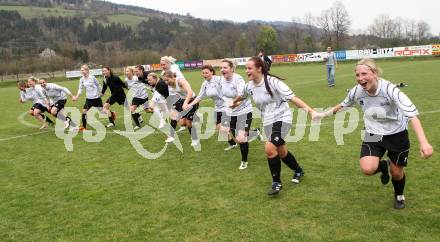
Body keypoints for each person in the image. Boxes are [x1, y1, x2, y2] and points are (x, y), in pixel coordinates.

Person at [315, 58, 434, 209]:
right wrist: (322, 115)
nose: (360, 78)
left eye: (364, 73)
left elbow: (412, 116)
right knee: (367, 168)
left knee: (397, 173)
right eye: (357, 75)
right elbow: (343, 105)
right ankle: (383, 166)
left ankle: (399, 195)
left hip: (397, 133)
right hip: (373, 132)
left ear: (375, 73)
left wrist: (424, 142)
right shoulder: (357, 91)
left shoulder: (390, 90)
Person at [232, 57, 317, 195]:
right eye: (246, 68)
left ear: (259, 68)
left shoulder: (273, 82)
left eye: (249, 68)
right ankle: (298, 171)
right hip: (268, 122)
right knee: (282, 152)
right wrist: (234, 102)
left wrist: (310, 111)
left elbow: (293, 98)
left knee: (270, 148)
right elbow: (242, 95)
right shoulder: (249, 86)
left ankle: (276, 183)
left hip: (283, 118)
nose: (246, 71)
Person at [219, 59, 262, 170]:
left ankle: (244, 161)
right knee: (238, 138)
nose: (222, 70)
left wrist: (235, 103)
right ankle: (255, 132)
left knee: (241, 138)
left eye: (225, 67)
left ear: (232, 69)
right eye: (221, 68)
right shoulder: (221, 80)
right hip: (230, 113)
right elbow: (223, 95)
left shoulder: (238, 79)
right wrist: (226, 105)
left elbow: (242, 95)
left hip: (244, 111)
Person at [162, 70, 199, 146]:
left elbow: (190, 92)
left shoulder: (180, 81)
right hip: (182, 100)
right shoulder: (169, 85)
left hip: (192, 100)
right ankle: (195, 117)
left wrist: (186, 103)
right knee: (182, 123)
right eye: (164, 80)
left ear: (172, 77)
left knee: (188, 122)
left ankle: (194, 139)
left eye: (167, 80)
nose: (166, 82)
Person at [187, 65, 224, 130]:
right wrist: (190, 105)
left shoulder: (219, 79)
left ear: (212, 72)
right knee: (219, 127)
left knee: (223, 128)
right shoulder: (205, 84)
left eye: (206, 73)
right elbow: (199, 97)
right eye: (203, 73)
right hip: (218, 107)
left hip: (228, 106)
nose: (204, 75)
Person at [72, 64, 103, 131]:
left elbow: (98, 85)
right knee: (84, 112)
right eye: (81, 70)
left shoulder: (92, 77)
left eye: (83, 70)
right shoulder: (81, 79)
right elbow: (80, 88)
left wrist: (101, 92)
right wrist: (77, 96)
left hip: (96, 98)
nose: (82, 72)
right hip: (88, 99)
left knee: (103, 112)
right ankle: (84, 127)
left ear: (87, 70)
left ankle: (112, 114)